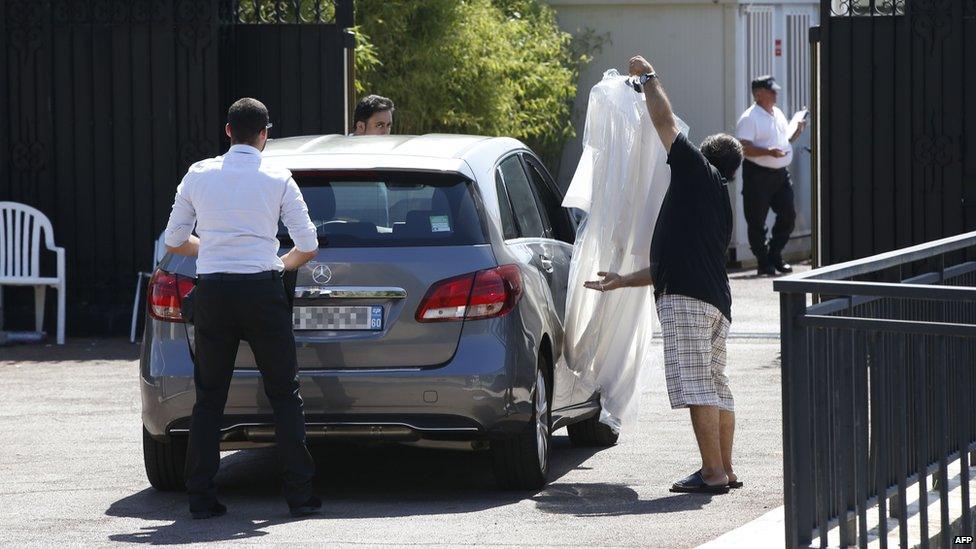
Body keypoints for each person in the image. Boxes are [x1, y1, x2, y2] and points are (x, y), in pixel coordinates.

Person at [585, 55, 743, 495]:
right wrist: (622, 279)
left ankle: (711, 473)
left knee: (696, 386)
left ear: (704, 157)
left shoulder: (697, 173)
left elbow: (665, 121)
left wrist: (650, 76)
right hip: (714, 302)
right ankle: (725, 469)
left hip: (690, 304)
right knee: (715, 386)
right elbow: (671, 264)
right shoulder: (716, 202)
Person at [163, 97, 322, 519]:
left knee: (209, 399)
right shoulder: (279, 177)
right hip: (263, 292)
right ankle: (300, 497)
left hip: (213, 292)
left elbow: (174, 240)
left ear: (228, 131)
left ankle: (201, 498)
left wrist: (214, 247)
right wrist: (276, 263)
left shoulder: (198, 174)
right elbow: (308, 245)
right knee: (285, 394)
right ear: (264, 134)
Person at [736, 75, 807, 276]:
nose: (776, 94)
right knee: (756, 221)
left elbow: (784, 141)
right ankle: (763, 261)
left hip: (780, 174)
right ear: (759, 94)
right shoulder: (750, 117)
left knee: (788, 215)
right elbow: (743, 147)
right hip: (758, 175)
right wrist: (769, 152)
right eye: (771, 91)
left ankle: (774, 255)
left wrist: (797, 132)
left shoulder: (777, 113)